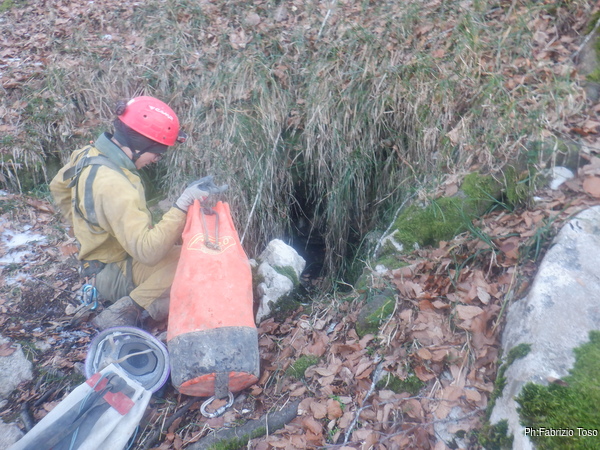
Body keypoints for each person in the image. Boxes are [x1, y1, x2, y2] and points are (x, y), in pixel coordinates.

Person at [50, 96, 226, 330]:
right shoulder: (116, 186)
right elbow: (148, 252)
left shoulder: (88, 154)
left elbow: (58, 187)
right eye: (157, 154)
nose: (155, 160)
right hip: (116, 272)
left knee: (194, 255)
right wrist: (182, 204)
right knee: (197, 269)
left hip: (101, 265)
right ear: (139, 146)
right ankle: (127, 310)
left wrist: (87, 227)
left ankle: (139, 304)